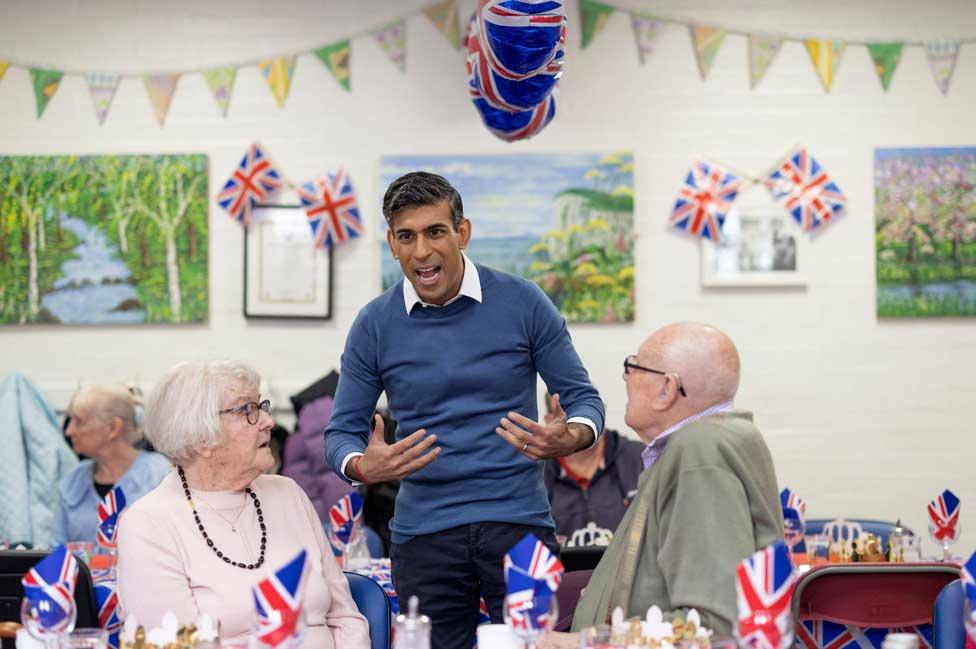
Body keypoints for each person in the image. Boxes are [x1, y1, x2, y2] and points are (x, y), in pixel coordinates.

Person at [324, 171, 605, 649]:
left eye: (435, 232)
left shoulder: (523, 302)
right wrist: (361, 465)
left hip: (518, 525)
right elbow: (340, 435)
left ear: (462, 232)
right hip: (423, 533)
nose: (421, 252)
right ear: (391, 243)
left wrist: (569, 437)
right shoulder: (374, 323)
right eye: (406, 236)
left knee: (539, 646)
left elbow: (586, 403)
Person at [543, 322, 783, 646]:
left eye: (633, 367)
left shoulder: (701, 452)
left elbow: (710, 628)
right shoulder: (702, 444)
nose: (625, 378)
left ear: (666, 389)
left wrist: (580, 642)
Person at [117, 361, 368, 649]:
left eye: (261, 406)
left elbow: (346, 617)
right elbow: (176, 644)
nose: (268, 421)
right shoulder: (148, 524)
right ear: (201, 438)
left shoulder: (288, 494)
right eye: (247, 410)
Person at [52, 384, 169, 546]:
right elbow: (56, 552)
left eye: (78, 422)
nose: (69, 431)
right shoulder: (73, 480)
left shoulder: (160, 475)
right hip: (81, 572)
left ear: (113, 428)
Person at [543, 394, 644, 546]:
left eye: (593, 410)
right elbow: (522, 554)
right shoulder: (534, 476)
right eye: (574, 414)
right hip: (561, 569)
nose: (588, 421)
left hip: (633, 569)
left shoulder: (641, 458)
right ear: (550, 421)